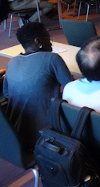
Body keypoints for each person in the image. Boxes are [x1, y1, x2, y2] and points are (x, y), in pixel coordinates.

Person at [3, 22, 73, 150]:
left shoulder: (12, 62)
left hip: (17, 136)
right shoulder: (52, 59)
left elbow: (7, 94)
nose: (51, 43)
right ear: (38, 41)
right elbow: (73, 90)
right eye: (49, 39)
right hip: (46, 137)